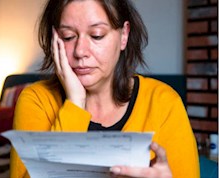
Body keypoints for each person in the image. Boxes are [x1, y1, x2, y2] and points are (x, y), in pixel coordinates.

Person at [10, 0, 200, 177]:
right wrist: (75, 103)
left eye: (96, 35)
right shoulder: (36, 100)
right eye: (68, 37)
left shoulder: (163, 103)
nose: (80, 51)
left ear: (124, 35)